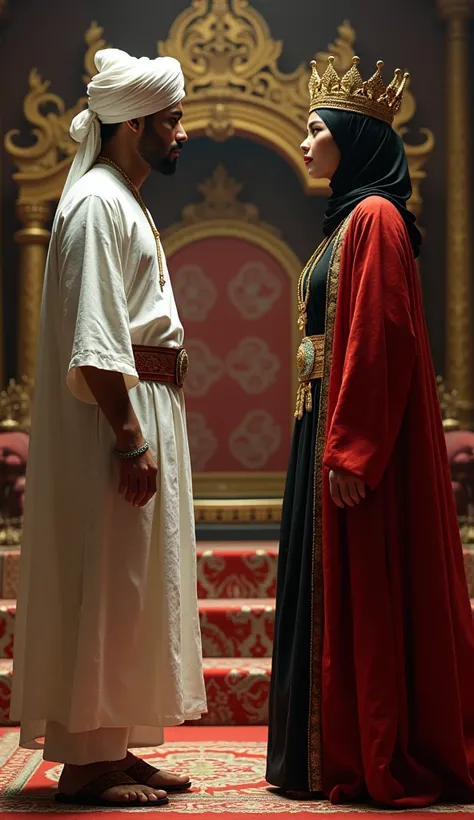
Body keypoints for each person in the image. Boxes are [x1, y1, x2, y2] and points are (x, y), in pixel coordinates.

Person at [266, 54, 474, 807]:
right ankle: (323, 753)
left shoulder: (376, 221)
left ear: (353, 138)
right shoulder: (347, 223)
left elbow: (379, 339)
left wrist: (353, 448)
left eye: (316, 129)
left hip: (352, 443)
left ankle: (366, 752)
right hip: (318, 429)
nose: (306, 141)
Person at [10, 47, 207, 808]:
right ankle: (86, 764)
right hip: (114, 422)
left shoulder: (121, 197)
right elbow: (96, 337)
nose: (181, 132)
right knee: (111, 578)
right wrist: (129, 435)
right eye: (172, 119)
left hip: (143, 406)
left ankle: (113, 746)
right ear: (132, 126)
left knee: (133, 584)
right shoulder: (96, 202)